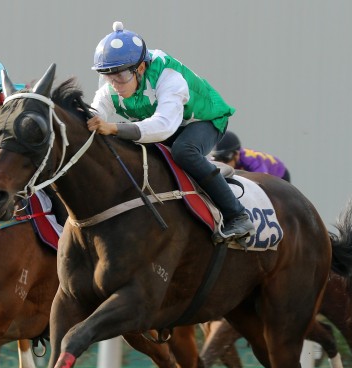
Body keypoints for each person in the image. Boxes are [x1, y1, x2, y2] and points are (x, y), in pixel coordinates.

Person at [87, 21, 254, 243]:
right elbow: (93, 118)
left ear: (141, 68)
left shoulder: (169, 77)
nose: (115, 84)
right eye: (108, 76)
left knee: (184, 151)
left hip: (204, 120)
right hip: (168, 123)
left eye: (120, 76)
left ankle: (237, 215)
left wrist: (115, 128)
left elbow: (164, 126)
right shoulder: (110, 88)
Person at [210, 131, 291, 182]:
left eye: (225, 158)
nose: (222, 163)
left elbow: (263, 181)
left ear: (237, 154)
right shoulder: (236, 160)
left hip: (280, 174)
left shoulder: (251, 160)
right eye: (217, 158)